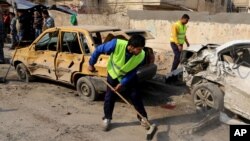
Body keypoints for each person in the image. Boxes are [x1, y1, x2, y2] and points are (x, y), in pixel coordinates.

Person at [88, 35, 150, 131]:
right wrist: (91, 63)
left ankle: (143, 117)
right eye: (138, 49)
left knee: (135, 96)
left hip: (128, 76)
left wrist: (122, 83)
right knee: (110, 96)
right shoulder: (116, 44)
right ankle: (107, 118)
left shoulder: (141, 55)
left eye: (141, 49)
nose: (140, 51)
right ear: (132, 47)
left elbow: (133, 71)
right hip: (113, 74)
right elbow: (98, 50)